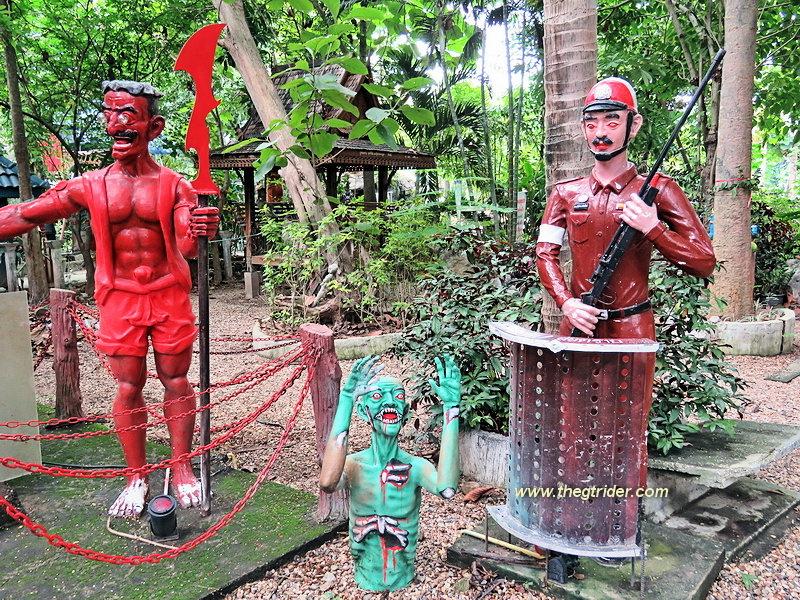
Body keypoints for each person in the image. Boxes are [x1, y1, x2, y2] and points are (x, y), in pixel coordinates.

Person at [0, 80, 220, 518]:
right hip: (119, 297)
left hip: (167, 293)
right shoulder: (90, 184)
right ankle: (135, 475)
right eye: (109, 113)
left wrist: (201, 227)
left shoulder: (177, 185)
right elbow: (26, 212)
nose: (115, 123)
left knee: (177, 380)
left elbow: (188, 247)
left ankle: (180, 466)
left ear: (153, 127)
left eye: (127, 115)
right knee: (128, 385)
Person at [536, 76, 715, 342]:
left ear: (634, 124)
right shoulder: (565, 193)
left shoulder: (659, 189)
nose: (600, 133)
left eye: (612, 122)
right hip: (579, 327)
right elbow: (544, 253)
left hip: (633, 331)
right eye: (591, 123)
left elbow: (704, 262)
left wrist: (654, 228)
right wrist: (567, 303)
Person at [319, 355, 461, 591]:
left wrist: (451, 410)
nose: (390, 402)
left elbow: (447, 489)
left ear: (405, 413)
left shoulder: (416, 467)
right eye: (377, 396)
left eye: (398, 396)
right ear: (363, 412)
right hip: (365, 571)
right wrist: (347, 398)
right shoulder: (354, 465)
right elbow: (327, 483)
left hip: (403, 571)